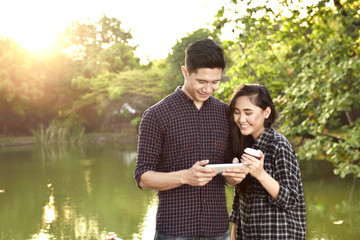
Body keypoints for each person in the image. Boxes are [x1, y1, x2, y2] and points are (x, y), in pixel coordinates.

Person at [134, 38, 246, 239]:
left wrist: (233, 176)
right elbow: (143, 177)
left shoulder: (225, 113)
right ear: (185, 72)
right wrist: (185, 176)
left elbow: (227, 174)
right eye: (201, 81)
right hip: (174, 230)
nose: (208, 89)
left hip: (217, 230)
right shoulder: (157, 115)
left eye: (215, 82)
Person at [226, 84, 306, 240]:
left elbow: (291, 200)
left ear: (266, 112)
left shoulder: (279, 145)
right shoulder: (245, 146)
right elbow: (239, 198)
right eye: (237, 112)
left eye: (248, 113)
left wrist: (260, 174)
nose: (241, 119)